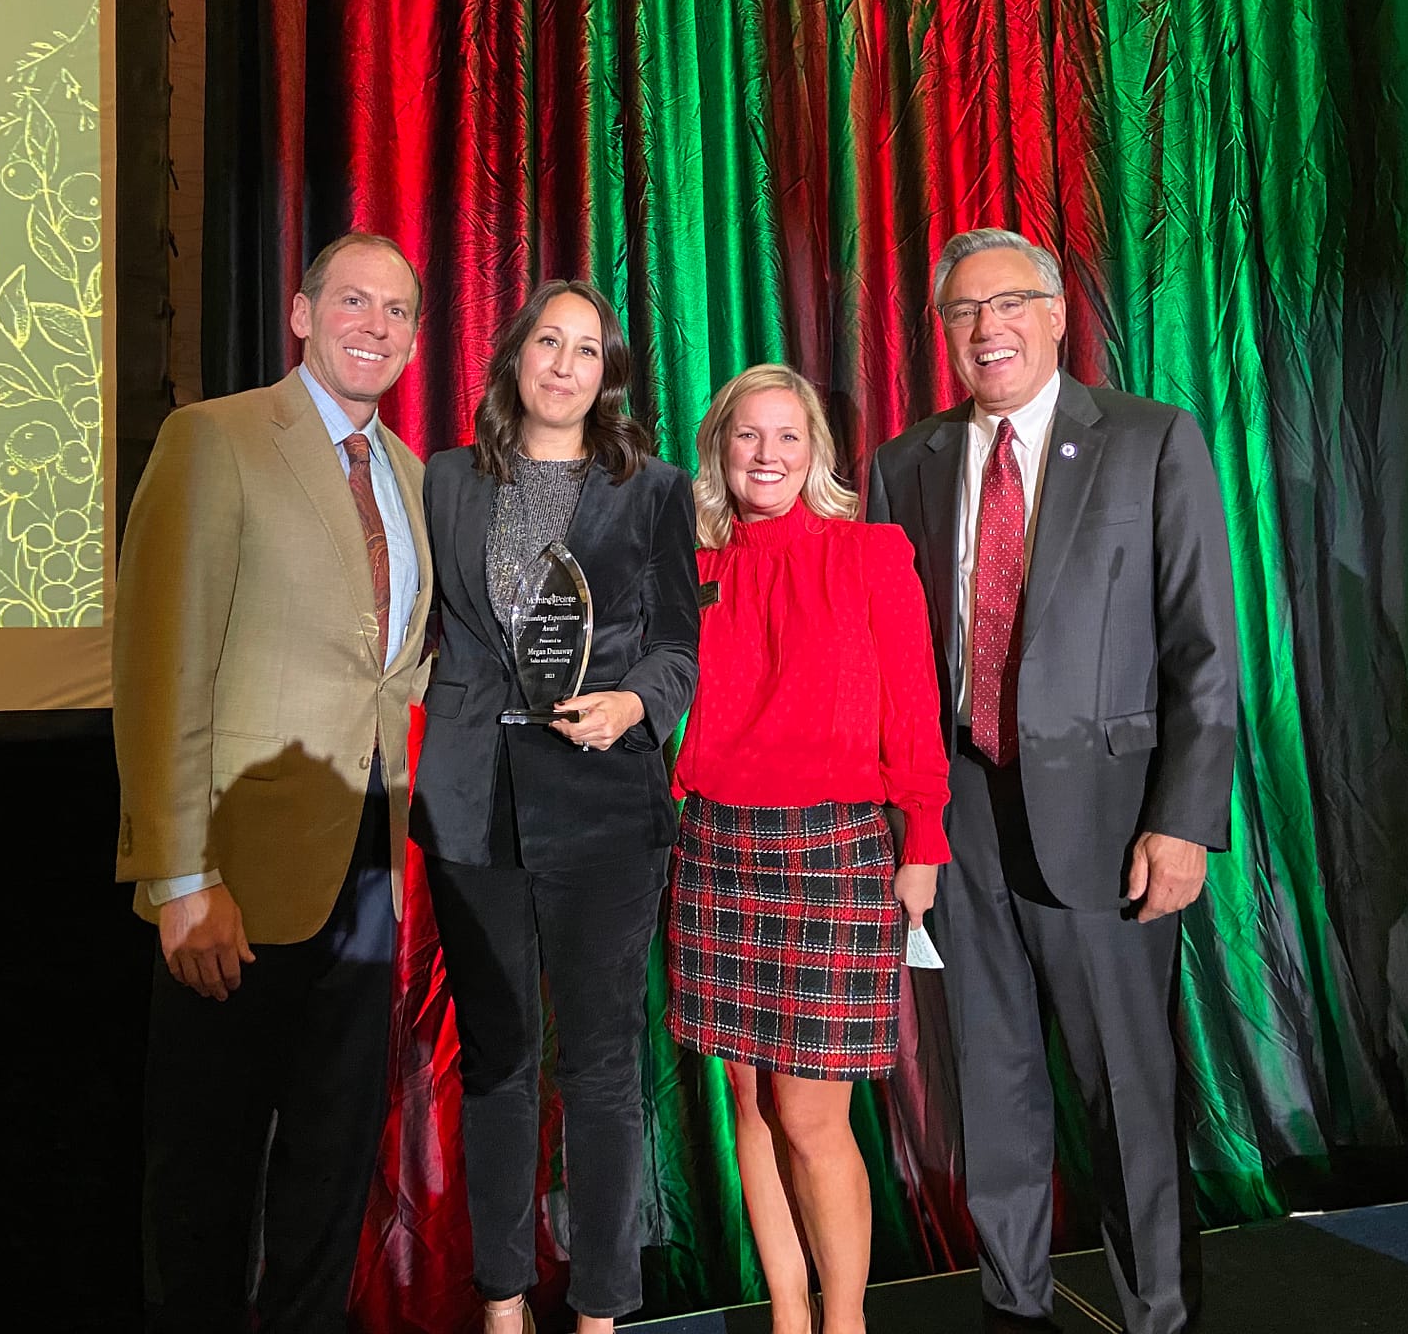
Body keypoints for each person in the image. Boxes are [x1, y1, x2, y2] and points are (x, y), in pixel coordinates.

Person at [868, 229, 1237, 1334]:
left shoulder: (1149, 441)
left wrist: (1182, 824)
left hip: (1113, 824)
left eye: (1010, 303)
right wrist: (908, 826)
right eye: (964, 312)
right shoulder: (907, 463)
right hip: (964, 817)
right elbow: (893, 662)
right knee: (994, 1088)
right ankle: (1013, 1304)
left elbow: (1203, 655)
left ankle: (1157, 1314)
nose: (988, 328)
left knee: (1128, 1097)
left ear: (1058, 313)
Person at [114, 232, 433, 1333]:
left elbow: (399, 666)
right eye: (355, 301)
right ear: (301, 315)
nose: (377, 328)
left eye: (398, 312)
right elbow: (161, 666)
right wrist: (181, 876)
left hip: (364, 876)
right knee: (203, 1177)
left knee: (331, 1164)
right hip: (236, 882)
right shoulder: (219, 439)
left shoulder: (411, 476)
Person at [410, 279, 699, 1334]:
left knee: (602, 1065)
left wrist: (634, 701)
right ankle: (501, 1299)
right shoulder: (443, 481)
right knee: (497, 1059)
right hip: (472, 805)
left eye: (588, 349)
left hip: (606, 810)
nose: (566, 364)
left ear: (607, 374)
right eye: (549, 342)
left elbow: (678, 643)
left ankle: (602, 1309)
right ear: (515, 359)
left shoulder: (654, 489)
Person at [667, 364, 950, 1334]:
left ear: (816, 453)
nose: (768, 456)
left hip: (834, 847)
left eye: (788, 437)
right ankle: (788, 1309)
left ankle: (843, 1320)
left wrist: (925, 841)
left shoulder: (871, 555)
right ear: (721, 449)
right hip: (713, 845)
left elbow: (916, 709)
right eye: (749, 436)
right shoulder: (689, 565)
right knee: (747, 1100)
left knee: (811, 1115)